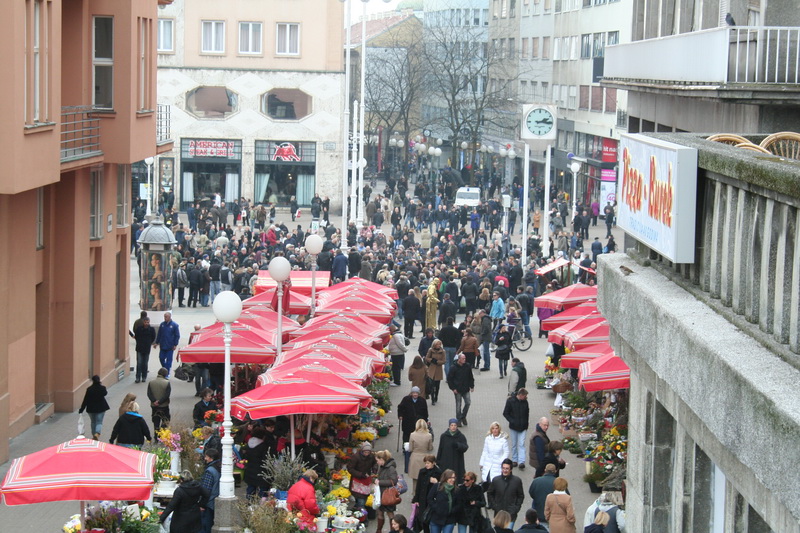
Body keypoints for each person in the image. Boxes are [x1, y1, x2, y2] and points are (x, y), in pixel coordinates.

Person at [487, 460, 524, 528]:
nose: (505, 470)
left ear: (511, 469)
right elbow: (490, 493)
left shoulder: (517, 481)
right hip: (498, 513)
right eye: (503, 468)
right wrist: (494, 505)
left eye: (507, 468)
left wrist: (516, 508)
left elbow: (520, 496)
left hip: (511, 513)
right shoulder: (496, 480)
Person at [412, 454, 442, 533]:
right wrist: (416, 499)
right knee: (423, 519)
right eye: (425, 463)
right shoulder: (422, 471)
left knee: (430, 518)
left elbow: (441, 486)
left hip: (432, 500)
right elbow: (418, 486)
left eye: (428, 463)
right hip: (422, 499)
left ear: (433, 463)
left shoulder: (438, 472)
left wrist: (436, 482)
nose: (426, 465)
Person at [503, 389, 530, 470]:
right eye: (525, 396)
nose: (526, 398)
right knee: (514, 444)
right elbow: (505, 413)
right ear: (520, 395)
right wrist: (512, 421)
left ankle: (521, 461)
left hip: (523, 427)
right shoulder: (510, 401)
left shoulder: (525, 402)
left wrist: (526, 423)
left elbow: (527, 413)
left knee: (521, 444)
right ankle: (515, 460)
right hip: (514, 427)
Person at [347, 441, 377, 512]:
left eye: (368, 452)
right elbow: (350, 468)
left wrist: (374, 469)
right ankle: (361, 515)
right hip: (356, 481)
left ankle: (359, 512)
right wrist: (361, 474)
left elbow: (374, 463)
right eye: (365, 452)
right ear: (362, 450)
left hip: (366, 480)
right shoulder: (355, 457)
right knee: (360, 501)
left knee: (364, 498)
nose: (366, 454)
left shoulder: (371, 456)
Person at [242, 425, 271, 497]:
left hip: (250, 470)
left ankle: (250, 503)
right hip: (261, 470)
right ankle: (262, 504)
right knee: (263, 489)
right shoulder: (263, 446)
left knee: (251, 488)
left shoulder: (248, 445)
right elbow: (266, 458)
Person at [78, 375, 110, 440]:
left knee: (93, 422)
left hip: (91, 408)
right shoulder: (102, 388)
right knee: (99, 422)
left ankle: (93, 435)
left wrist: (81, 409)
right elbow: (105, 393)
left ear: (92, 381)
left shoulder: (89, 389)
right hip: (101, 408)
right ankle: (97, 433)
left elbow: (85, 400)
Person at [375, 450, 400, 533]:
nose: (377, 462)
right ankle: (379, 530)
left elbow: (394, 481)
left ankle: (393, 531)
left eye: (377, 460)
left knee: (390, 513)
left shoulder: (391, 468)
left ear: (382, 459)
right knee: (380, 512)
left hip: (388, 495)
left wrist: (380, 482)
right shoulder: (382, 467)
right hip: (381, 494)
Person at [446, 354, 474, 427]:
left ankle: (463, 416)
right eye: (463, 358)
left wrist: (472, 386)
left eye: (465, 358)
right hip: (457, 390)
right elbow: (449, 379)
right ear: (459, 359)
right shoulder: (453, 367)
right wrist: (453, 388)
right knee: (458, 405)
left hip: (466, 388)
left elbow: (470, 376)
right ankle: (458, 420)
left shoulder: (467, 366)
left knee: (468, 402)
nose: (464, 360)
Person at [480, 422, 510, 488]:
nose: (495, 430)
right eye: (493, 428)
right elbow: (485, 451)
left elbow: (506, 452)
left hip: (497, 466)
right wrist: (481, 462)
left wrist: (501, 461)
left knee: (495, 485)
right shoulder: (488, 439)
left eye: (496, 428)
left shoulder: (503, 440)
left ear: (499, 429)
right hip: (488, 464)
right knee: (487, 483)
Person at [529, 464, 559, 529]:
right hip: (555, 516)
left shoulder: (536, 481)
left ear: (545, 470)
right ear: (555, 471)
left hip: (540, 514)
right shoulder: (558, 482)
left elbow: (531, 493)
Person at [200, 448, 221, 533]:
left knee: (205, 525)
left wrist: (202, 504)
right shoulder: (219, 467)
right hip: (215, 499)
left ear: (211, 458)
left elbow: (206, 489)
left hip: (209, 502)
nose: (205, 458)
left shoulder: (210, 471)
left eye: (206, 457)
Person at [154, 312, 181, 376]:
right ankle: (165, 368)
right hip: (163, 345)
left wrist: (175, 344)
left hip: (170, 346)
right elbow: (159, 334)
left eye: (166, 317)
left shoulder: (174, 325)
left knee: (169, 360)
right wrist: (157, 342)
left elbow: (177, 335)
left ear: (169, 317)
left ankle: (167, 372)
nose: (165, 318)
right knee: (161, 358)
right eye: (164, 317)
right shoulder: (162, 325)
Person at [147, 368, 172, 432]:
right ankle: (162, 434)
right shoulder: (167, 383)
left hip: (154, 406)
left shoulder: (151, 382)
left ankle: (156, 435)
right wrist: (160, 402)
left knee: (156, 421)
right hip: (164, 406)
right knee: (165, 420)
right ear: (165, 374)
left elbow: (149, 394)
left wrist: (154, 401)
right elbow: (167, 395)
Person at [133, 317, 156, 383]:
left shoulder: (151, 329)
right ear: (143, 322)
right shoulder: (139, 329)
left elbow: (153, 337)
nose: (146, 323)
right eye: (145, 322)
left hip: (146, 348)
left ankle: (144, 377)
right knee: (139, 363)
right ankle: (138, 377)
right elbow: (136, 336)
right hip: (139, 348)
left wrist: (149, 343)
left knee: (145, 363)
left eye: (148, 322)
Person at [425, 339, 447, 405]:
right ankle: (433, 399)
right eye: (437, 344)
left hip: (438, 370)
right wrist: (432, 360)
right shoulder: (430, 350)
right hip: (431, 369)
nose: (439, 345)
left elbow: (444, 361)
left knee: (437, 386)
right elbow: (427, 358)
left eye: (440, 344)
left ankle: (436, 396)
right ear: (434, 344)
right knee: (431, 385)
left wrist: (437, 362)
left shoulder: (443, 351)